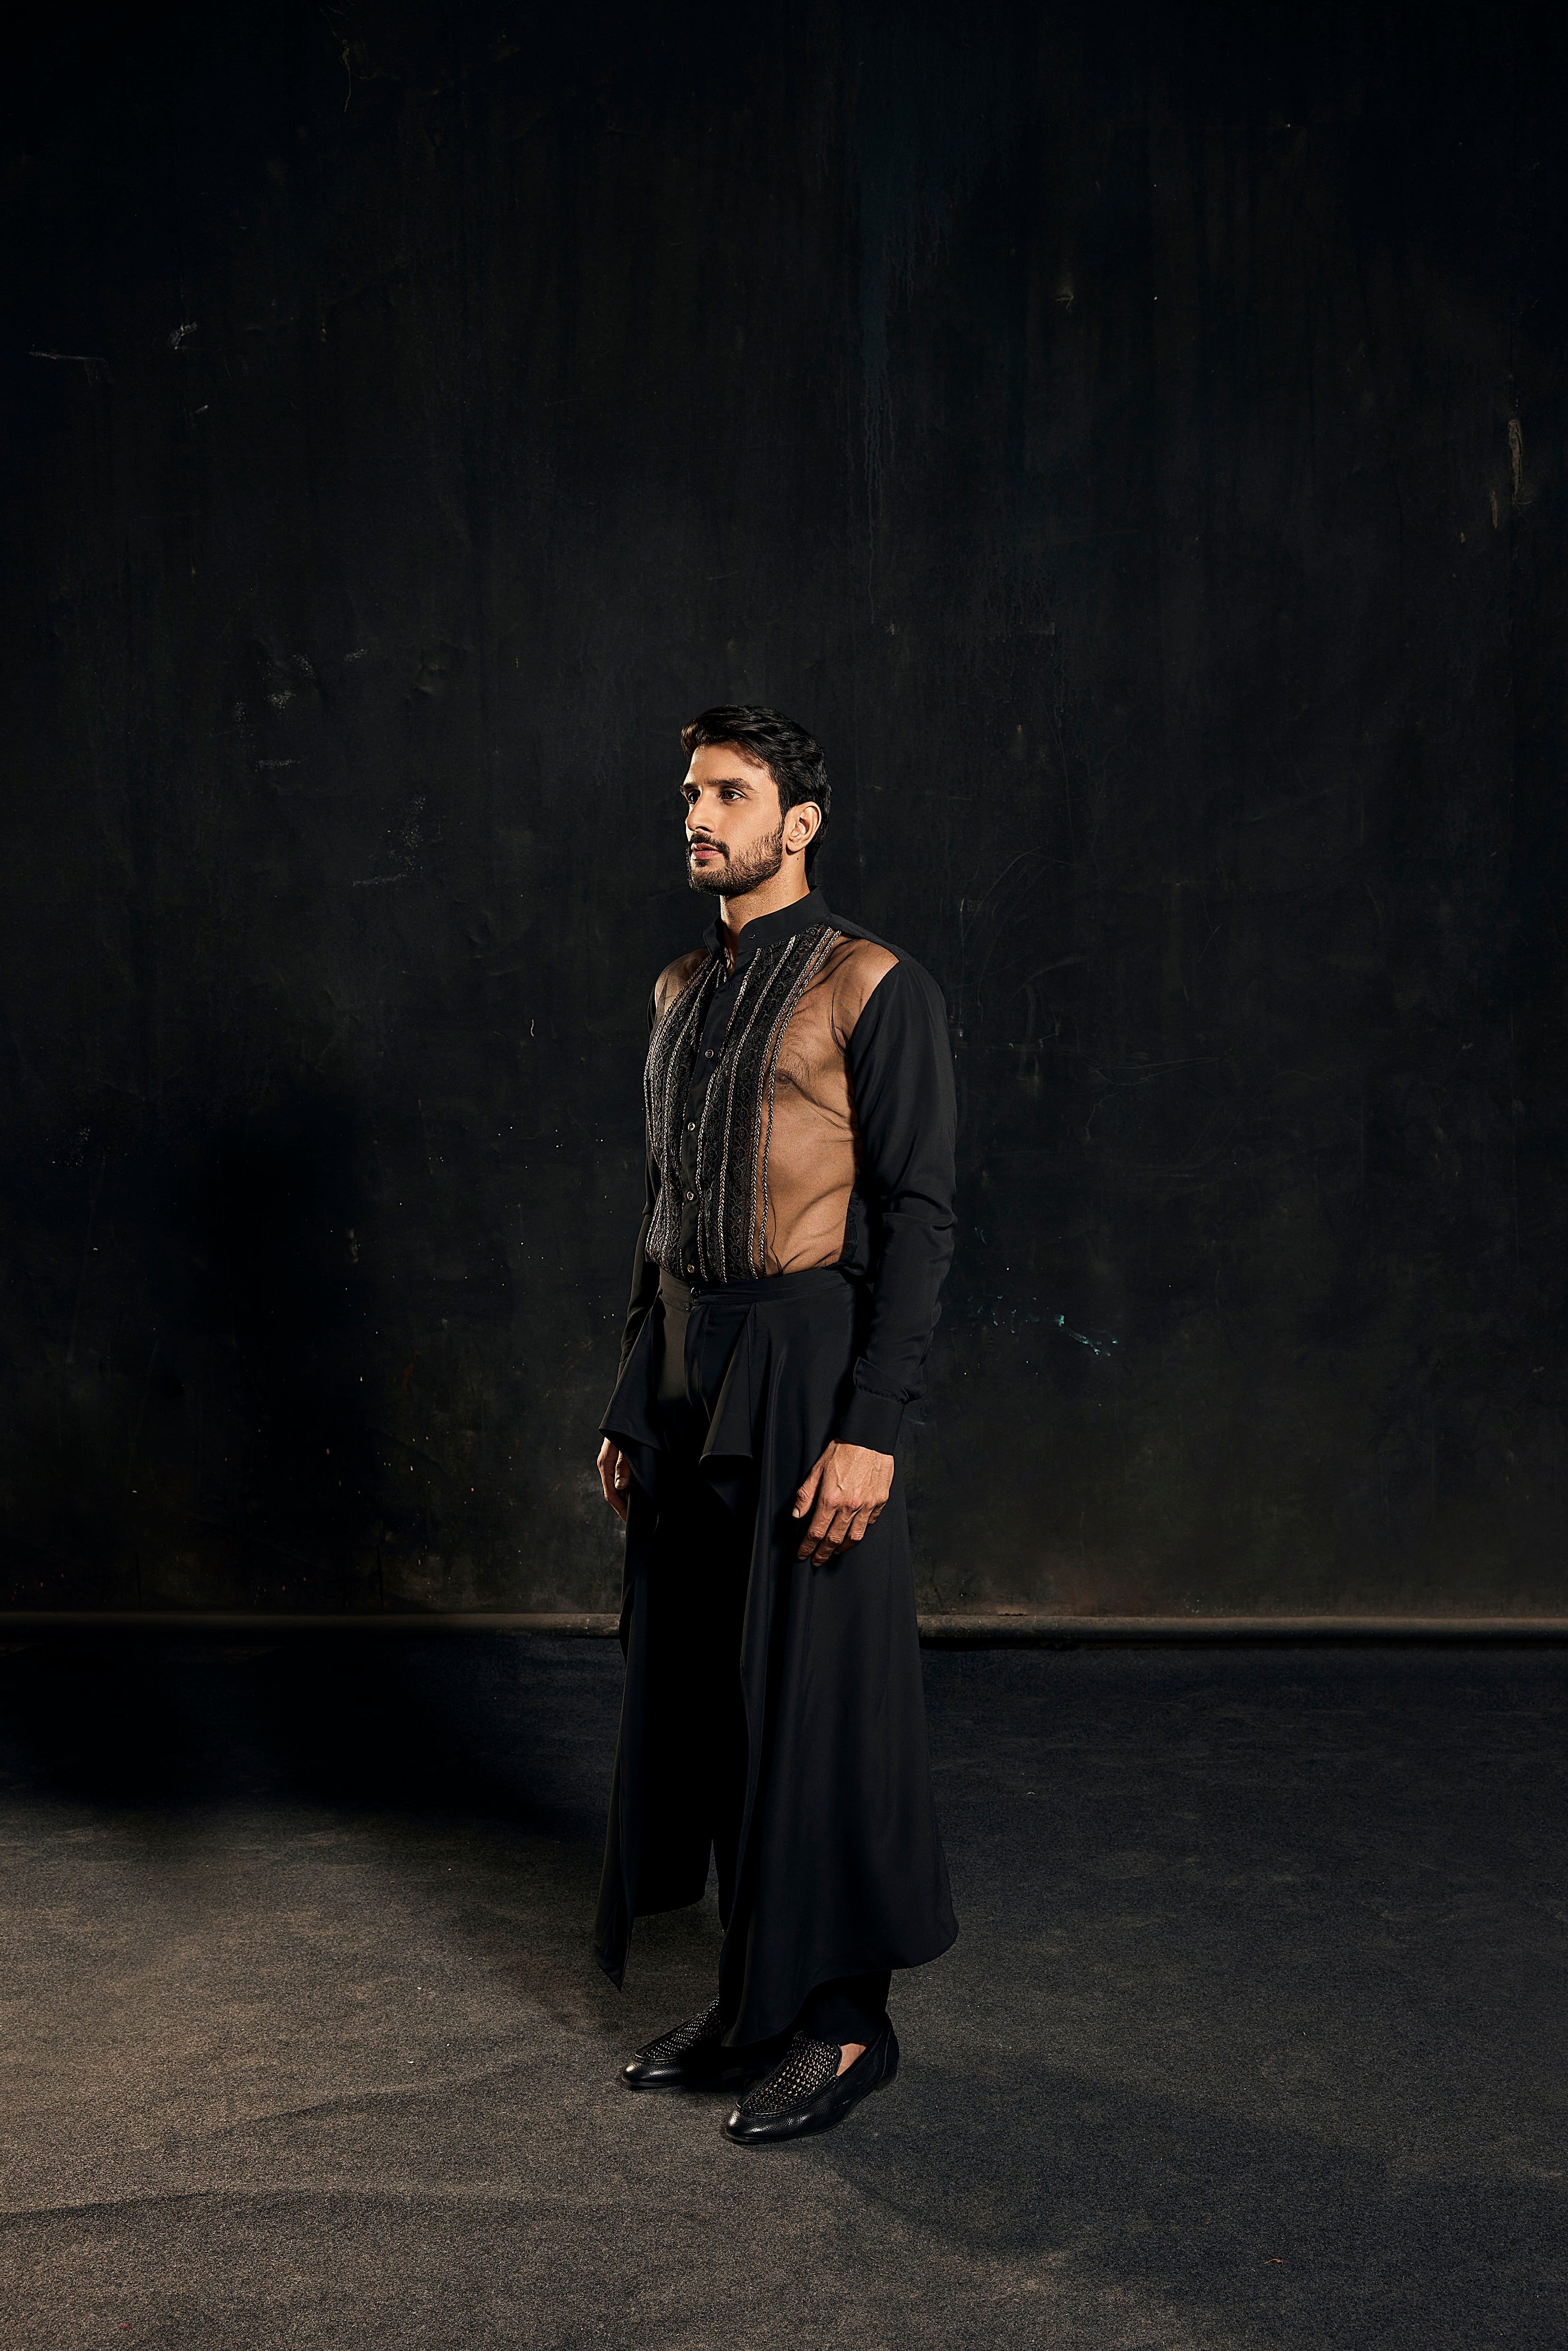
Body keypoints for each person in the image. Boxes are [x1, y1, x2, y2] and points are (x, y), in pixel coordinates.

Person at [593, 704, 957, 2147]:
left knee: (817, 1700)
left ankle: (847, 2023)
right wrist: (634, 1392)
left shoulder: (871, 983)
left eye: (730, 793)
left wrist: (874, 1424)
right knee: (713, 1693)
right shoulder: (682, 985)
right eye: (691, 792)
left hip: (808, 1366)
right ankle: (754, 2003)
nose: (699, 816)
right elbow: (664, 1197)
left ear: (799, 822)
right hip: (691, 1360)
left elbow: (920, 1216)